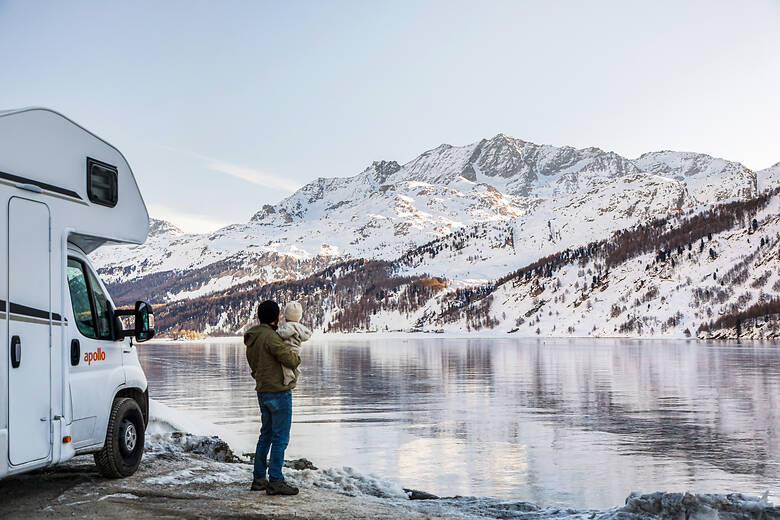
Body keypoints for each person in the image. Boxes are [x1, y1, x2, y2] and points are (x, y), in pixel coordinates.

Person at [244, 300, 301, 496]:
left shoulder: (252, 338)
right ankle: (276, 480)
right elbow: (291, 360)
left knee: (266, 435)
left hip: (263, 391)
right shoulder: (271, 337)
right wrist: (296, 356)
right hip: (279, 391)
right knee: (280, 438)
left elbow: (254, 365)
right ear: (276, 317)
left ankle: (259, 478)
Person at [277, 301, 312, 386]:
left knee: (285, 365)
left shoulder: (289, 326)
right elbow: (307, 335)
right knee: (293, 365)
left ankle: (288, 379)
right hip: (297, 349)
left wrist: (277, 333)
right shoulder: (300, 327)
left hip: (290, 348)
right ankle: (296, 373)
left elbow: (284, 334)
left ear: (286, 316)